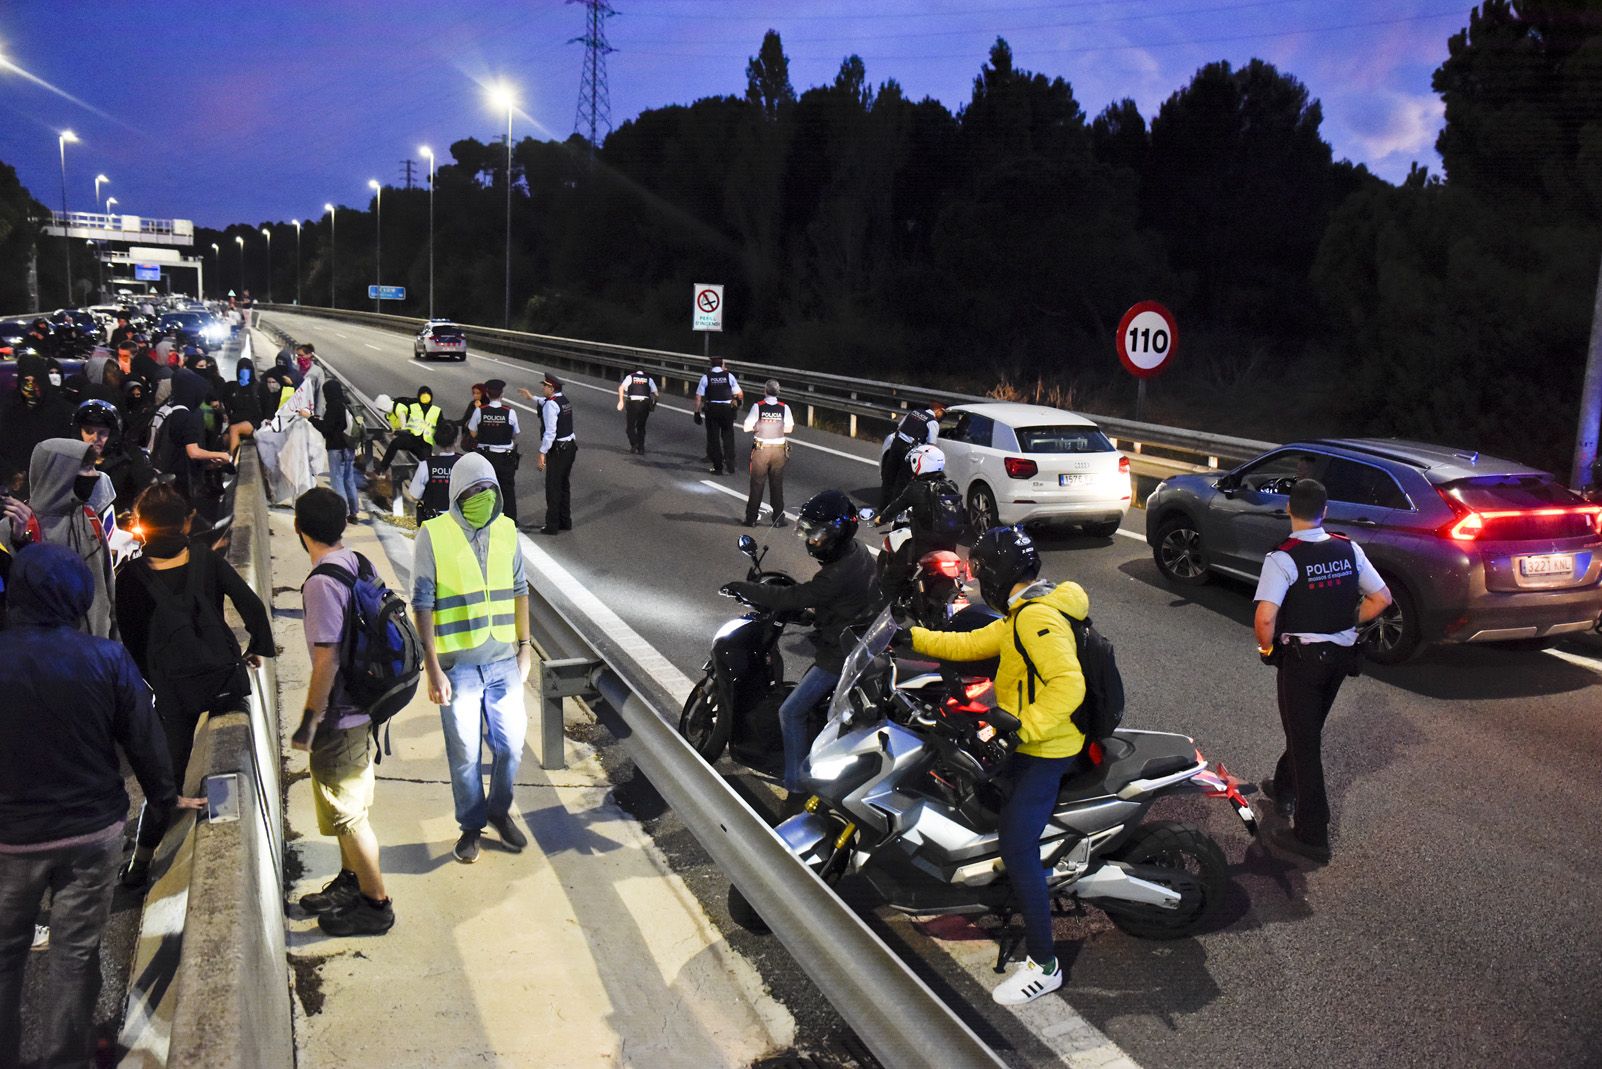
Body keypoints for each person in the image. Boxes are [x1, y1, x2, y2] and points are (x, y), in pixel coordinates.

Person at [0, 545, 202, 1069]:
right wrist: (165, 797)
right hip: (90, 833)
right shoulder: (105, 658)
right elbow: (144, 737)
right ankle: (67, 1058)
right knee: (74, 952)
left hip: (10, 838)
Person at [900, 525, 1088, 1006]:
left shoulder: (1036, 619)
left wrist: (1021, 729)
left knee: (1016, 841)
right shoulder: (1024, 612)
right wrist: (910, 637)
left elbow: (1069, 685)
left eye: (981, 572)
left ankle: (1045, 965)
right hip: (1037, 741)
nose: (979, 580)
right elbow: (972, 644)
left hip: (1048, 749)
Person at [114, 484, 275, 887]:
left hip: (174, 693)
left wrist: (154, 681)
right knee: (223, 768)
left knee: (165, 780)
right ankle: (223, 840)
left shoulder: (130, 577)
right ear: (186, 520)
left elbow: (131, 641)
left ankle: (140, 865)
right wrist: (257, 646)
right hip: (222, 681)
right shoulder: (206, 559)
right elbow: (251, 606)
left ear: (141, 526)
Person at [1253, 478, 1391, 864]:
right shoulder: (1348, 549)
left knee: (1305, 741)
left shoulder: (1283, 557)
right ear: (1325, 512)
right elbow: (1382, 598)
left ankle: (1313, 835)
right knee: (1305, 729)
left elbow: (1265, 618)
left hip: (1302, 662)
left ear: (1288, 510)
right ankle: (1284, 787)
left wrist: (1267, 649)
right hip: (1342, 658)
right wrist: (1346, 619)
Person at [412, 452, 533, 863]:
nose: (482, 497)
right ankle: (471, 825)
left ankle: (498, 810)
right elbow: (422, 603)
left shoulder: (507, 530)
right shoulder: (433, 534)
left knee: (511, 746)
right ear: (458, 493)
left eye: (489, 489)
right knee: (465, 754)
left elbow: (520, 589)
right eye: (474, 490)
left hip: (503, 662)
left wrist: (525, 649)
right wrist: (432, 668)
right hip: (457, 666)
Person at [723, 490, 879, 806]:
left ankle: (795, 787)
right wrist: (813, 615)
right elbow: (830, 601)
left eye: (817, 533)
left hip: (841, 655)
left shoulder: (836, 574)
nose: (811, 539)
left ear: (838, 534)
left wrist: (744, 589)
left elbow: (795, 597)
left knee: (791, 711)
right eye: (807, 531)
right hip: (856, 637)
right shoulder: (857, 553)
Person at [287, 489, 395, 936]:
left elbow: (326, 658)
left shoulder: (320, 582)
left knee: (351, 818)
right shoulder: (357, 562)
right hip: (365, 709)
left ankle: (376, 905)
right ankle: (351, 883)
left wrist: (310, 720)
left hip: (342, 715)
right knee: (350, 810)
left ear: (298, 528)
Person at [29, 438, 119, 638]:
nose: (95, 476)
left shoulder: (90, 520)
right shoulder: (15, 529)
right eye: (86, 468)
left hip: (97, 653)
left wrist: (116, 647)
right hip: (47, 660)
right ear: (59, 473)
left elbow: (109, 592)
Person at [872, 444, 964, 603]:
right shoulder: (951, 485)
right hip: (949, 545)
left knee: (893, 576)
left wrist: (880, 519)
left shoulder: (916, 488)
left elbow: (896, 506)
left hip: (924, 544)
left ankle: (886, 608)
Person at [516, 373, 575, 535]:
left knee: (553, 488)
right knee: (564, 486)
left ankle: (552, 526)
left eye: (545, 386)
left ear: (552, 388)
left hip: (557, 450)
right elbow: (545, 402)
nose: (543, 388)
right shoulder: (563, 400)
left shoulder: (551, 405)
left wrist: (542, 453)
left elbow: (550, 432)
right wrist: (531, 397)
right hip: (569, 448)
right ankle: (565, 521)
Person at [75, 399, 155, 515]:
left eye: (102, 433)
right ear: (79, 432)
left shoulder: (130, 457)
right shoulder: (67, 459)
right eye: (89, 431)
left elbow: (146, 492)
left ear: (112, 434)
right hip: (75, 525)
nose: (94, 438)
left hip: (120, 525)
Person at [0, 363, 73, 485]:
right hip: (16, 482)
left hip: (51, 481)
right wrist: (10, 473)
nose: (31, 386)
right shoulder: (9, 409)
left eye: (35, 381)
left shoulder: (60, 410)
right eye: (26, 381)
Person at [742, 379, 794, 528]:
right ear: (778, 392)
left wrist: (760, 426)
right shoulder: (785, 408)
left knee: (757, 485)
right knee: (776, 485)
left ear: (765, 391)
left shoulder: (758, 407)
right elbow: (789, 429)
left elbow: (746, 428)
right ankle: (778, 519)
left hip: (761, 450)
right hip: (778, 451)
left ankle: (751, 518)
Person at [467, 380, 520, 521]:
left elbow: (472, 433)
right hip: (505, 457)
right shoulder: (510, 412)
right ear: (502, 394)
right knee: (507, 490)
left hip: (485, 457)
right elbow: (515, 433)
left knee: (483, 490)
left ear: (488, 394)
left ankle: (483, 519)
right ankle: (510, 521)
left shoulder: (480, 411)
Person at [313, 380, 361, 524]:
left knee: (337, 481)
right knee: (349, 480)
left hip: (336, 449)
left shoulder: (333, 407)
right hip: (349, 448)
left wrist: (311, 419)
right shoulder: (346, 404)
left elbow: (326, 428)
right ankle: (353, 512)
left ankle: (343, 512)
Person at [881, 400, 945, 506]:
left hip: (896, 444)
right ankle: (894, 512)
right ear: (938, 410)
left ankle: (882, 508)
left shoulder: (914, 412)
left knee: (889, 477)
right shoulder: (932, 422)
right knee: (902, 481)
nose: (943, 416)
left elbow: (900, 426)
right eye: (944, 413)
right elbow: (931, 445)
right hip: (908, 451)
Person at [373, 384, 439, 475]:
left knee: (396, 444)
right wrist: (394, 432)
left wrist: (396, 433)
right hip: (415, 436)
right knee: (423, 458)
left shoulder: (399, 409)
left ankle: (382, 468)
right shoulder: (390, 413)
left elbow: (404, 429)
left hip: (420, 435)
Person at [406, 419, 463, 524]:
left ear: (436, 440)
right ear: (456, 440)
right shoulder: (465, 463)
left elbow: (414, 496)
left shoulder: (426, 465)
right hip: (459, 521)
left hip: (433, 521)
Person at [694, 356, 743, 474]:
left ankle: (718, 467)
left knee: (713, 438)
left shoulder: (706, 377)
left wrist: (696, 412)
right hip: (727, 409)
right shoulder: (729, 376)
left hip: (712, 409)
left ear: (711, 365)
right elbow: (739, 394)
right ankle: (730, 463)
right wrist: (737, 406)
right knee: (728, 436)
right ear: (722, 365)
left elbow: (698, 396)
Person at [220, 356, 265, 455]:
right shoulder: (232, 388)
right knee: (224, 440)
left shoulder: (260, 388)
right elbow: (227, 405)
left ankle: (233, 461)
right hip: (237, 421)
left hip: (254, 422)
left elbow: (266, 408)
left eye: (247, 369)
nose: (244, 372)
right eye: (242, 369)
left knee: (234, 429)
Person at [616, 367, 658, 455]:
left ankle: (634, 443)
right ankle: (641, 448)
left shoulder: (630, 377)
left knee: (630, 427)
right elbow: (656, 394)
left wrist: (621, 401)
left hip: (633, 403)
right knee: (641, 427)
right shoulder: (649, 379)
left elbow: (621, 388)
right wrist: (654, 404)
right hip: (645, 404)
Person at [459, 383, 486, 451]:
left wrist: (479, 409)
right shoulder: (472, 404)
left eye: (478, 393)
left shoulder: (487, 406)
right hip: (470, 439)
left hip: (482, 440)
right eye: (474, 393)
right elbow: (464, 420)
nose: (475, 395)